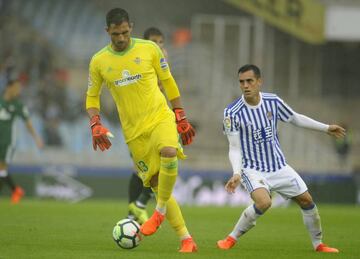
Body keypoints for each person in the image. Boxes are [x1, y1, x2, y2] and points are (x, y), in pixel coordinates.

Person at [85, 8, 197, 253]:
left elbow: (168, 81)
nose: (122, 38)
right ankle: (186, 239)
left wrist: (180, 114)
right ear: (107, 32)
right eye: (116, 34)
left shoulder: (149, 49)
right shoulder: (99, 61)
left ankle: (158, 212)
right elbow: (92, 97)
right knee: (157, 183)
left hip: (160, 117)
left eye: (125, 32)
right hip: (134, 133)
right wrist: (95, 124)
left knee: (169, 151)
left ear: (131, 27)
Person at [217, 64, 345, 253]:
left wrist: (325, 128)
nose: (245, 85)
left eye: (249, 81)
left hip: (278, 166)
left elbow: (295, 118)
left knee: (307, 200)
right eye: (242, 82)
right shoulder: (232, 112)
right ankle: (230, 238)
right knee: (264, 202)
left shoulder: (272, 101)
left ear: (259, 82)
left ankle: (318, 245)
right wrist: (236, 173)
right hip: (252, 169)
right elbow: (234, 147)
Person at [127, 27, 168, 224]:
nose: (158, 45)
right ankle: (135, 209)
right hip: (138, 122)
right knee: (140, 170)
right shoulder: (137, 60)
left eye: (161, 42)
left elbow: (166, 88)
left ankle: (138, 206)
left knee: (160, 167)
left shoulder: (163, 59)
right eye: (154, 41)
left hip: (158, 119)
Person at [0, 80, 44, 203]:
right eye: (16, 88)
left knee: (2, 168)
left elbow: (28, 123)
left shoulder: (18, 105)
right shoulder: (1, 102)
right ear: (9, 88)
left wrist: (36, 138)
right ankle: (15, 190)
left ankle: (16, 190)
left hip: (8, 141)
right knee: (2, 171)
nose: (18, 91)